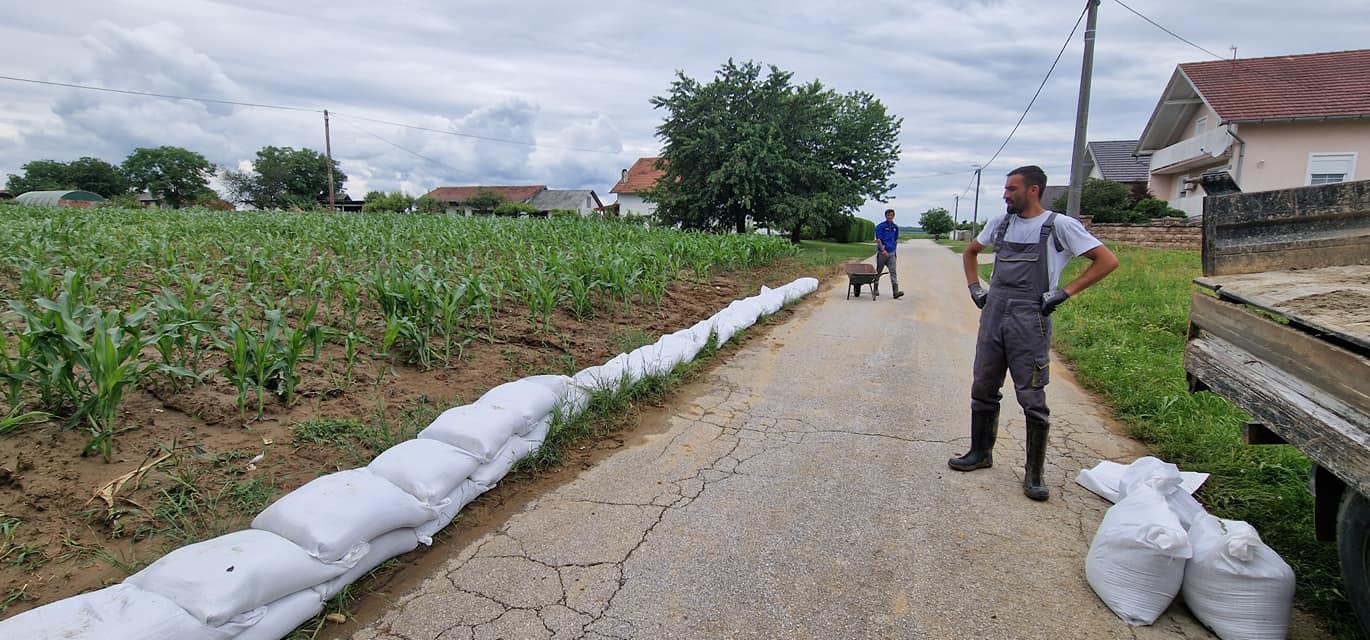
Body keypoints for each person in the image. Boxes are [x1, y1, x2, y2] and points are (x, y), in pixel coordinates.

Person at [948, 165, 1118, 501]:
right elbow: (970, 252)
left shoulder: (1059, 226)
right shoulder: (1001, 223)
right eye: (1005, 189)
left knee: (1032, 397)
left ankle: (1034, 474)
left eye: (1011, 189)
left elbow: (1106, 260)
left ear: (1033, 190)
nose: (1005, 195)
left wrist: (1064, 293)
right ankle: (980, 453)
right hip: (994, 313)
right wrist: (974, 288)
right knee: (983, 385)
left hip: (1030, 318)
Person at [874, 209, 904, 299]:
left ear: (893, 216)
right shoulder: (880, 226)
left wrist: (894, 250)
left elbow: (895, 239)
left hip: (891, 253)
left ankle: (895, 292)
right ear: (885, 216)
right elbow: (878, 239)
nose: (890, 217)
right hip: (882, 253)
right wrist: (883, 250)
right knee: (878, 271)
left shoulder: (895, 227)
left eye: (891, 215)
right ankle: (875, 288)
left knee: (893, 271)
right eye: (888, 215)